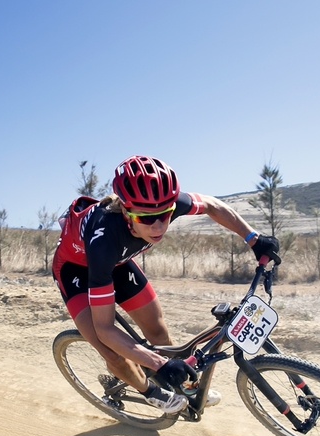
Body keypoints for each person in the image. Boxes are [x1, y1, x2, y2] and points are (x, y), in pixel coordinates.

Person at [52, 155, 280, 413]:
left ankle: (179, 382)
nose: (159, 225)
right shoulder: (103, 241)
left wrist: (253, 238)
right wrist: (159, 364)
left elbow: (212, 205)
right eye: (147, 218)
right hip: (78, 270)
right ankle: (150, 391)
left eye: (165, 214)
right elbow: (105, 329)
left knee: (159, 333)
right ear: (126, 210)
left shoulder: (165, 203)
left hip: (117, 263)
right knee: (109, 349)